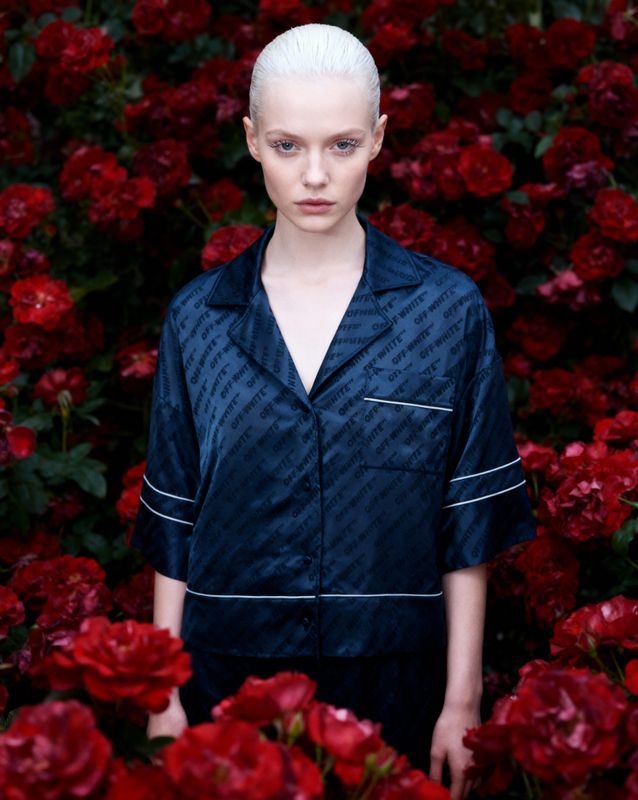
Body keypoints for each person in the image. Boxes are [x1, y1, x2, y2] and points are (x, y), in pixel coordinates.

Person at [130, 22, 537, 800]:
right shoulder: (200, 319)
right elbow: (175, 520)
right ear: (251, 141)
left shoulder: (445, 312)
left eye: (342, 145)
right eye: (287, 146)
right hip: (229, 683)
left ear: (379, 139)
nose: (314, 174)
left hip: (395, 688)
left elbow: (467, 528)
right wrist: (163, 699)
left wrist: (461, 703)